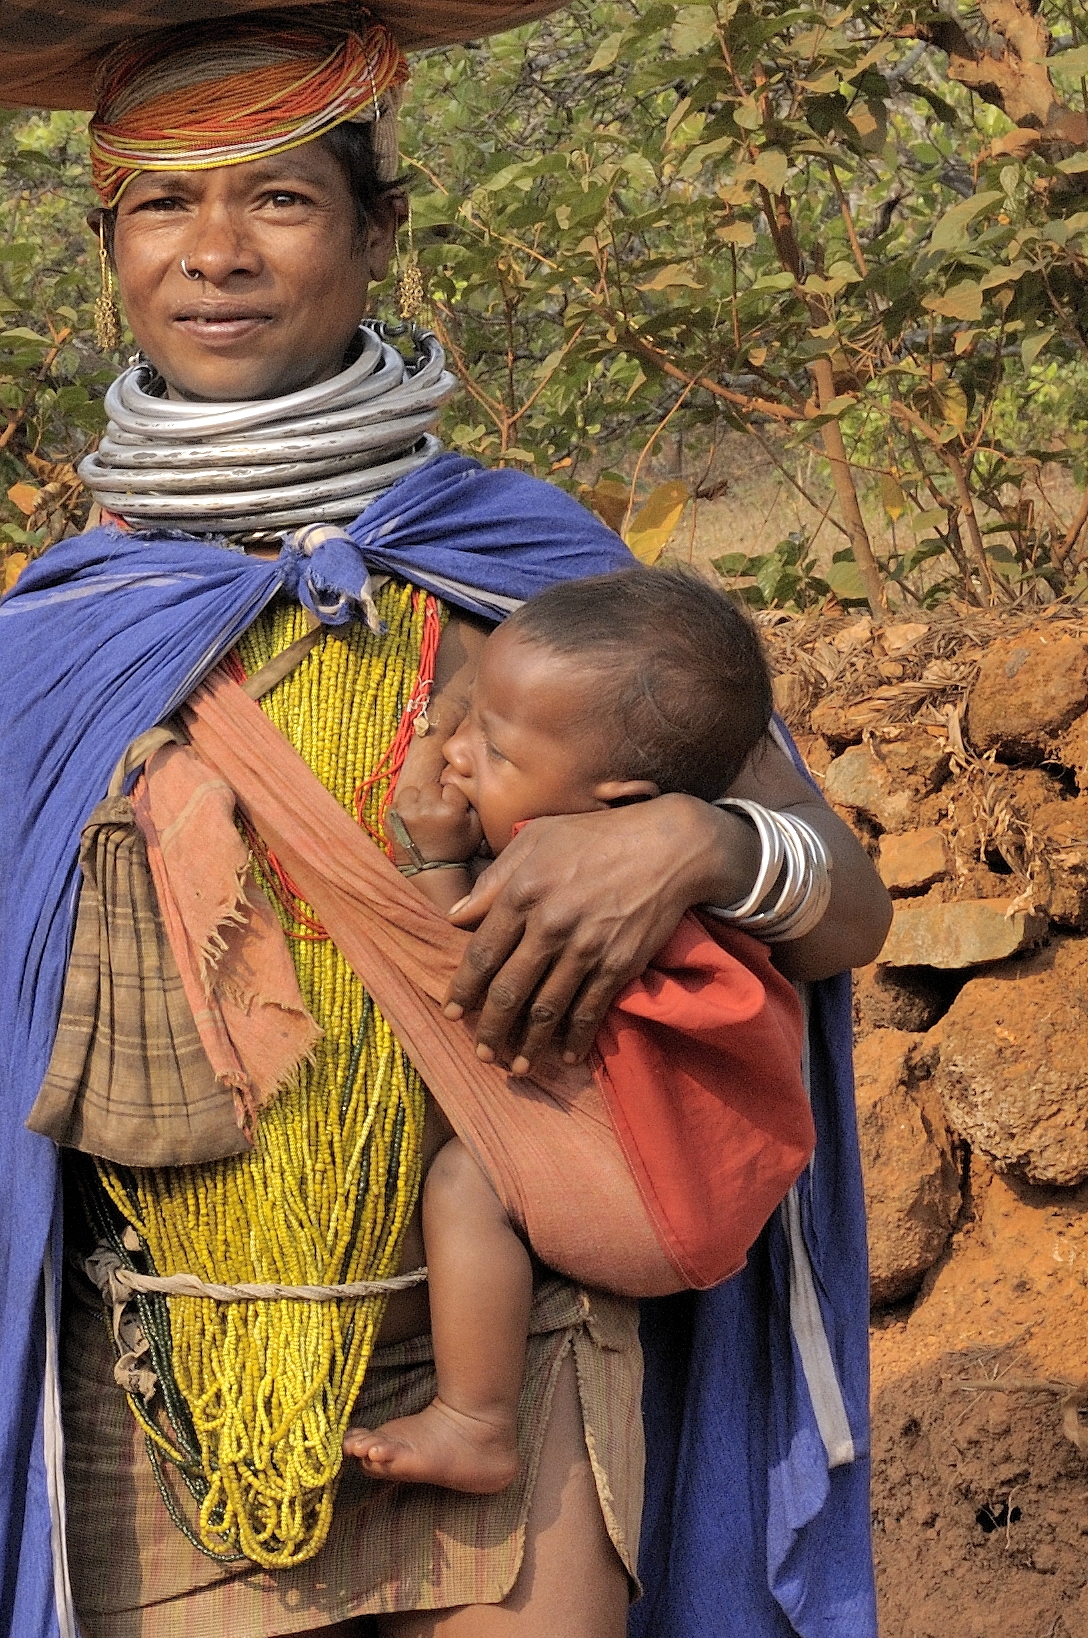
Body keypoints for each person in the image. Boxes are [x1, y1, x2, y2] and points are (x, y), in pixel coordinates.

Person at [0, 3, 893, 1638]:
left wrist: (699, 843)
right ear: (106, 243)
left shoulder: (527, 566)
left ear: (378, 231)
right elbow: (5, 1107)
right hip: (174, 1354)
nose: (216, 252)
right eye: (165, 203)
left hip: (523, 1324)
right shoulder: (63, 631)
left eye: (281, 199)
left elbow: (846, 907)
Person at [348, 568, 803, 1498]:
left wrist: (434, 857)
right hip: (698, 1191)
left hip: (646, 1207)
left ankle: (475, 1419)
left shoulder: (580, 892)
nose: (460, 757)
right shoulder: (652, 876)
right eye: (466, 721)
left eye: (498, 752)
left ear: (620, 799)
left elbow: (464, 988)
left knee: (468, 1180)